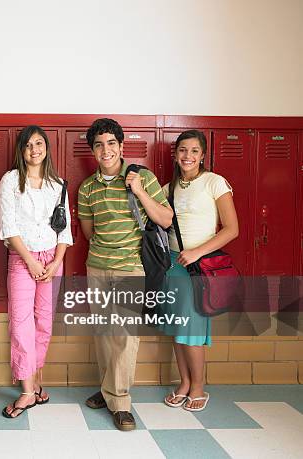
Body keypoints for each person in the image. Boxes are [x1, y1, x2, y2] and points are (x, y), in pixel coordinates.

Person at [78, 118, 172, 431]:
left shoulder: (142, 176)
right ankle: (108, 391)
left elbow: (166, 219)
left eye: (111, 143)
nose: (105, 150)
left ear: (121, 146)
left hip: (131, 266)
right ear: (93, 150)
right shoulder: (87, 188)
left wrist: (139, 191)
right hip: (97, 266)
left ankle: (120, 401)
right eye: (99, 144)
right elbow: (88, 232)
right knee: (105, 334)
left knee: (125, 336)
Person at [0, 126, 73, 418]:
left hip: (53, 259)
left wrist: (55, 262)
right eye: (28, 145)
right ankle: (28, 391)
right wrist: (30, 261)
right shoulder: (10, 181)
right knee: (21, 323)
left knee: (45, 323)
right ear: (21, 150)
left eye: (39, 143)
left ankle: (36, 381)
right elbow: (9, 226)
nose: (34, 149)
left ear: (46, 148)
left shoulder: (58, 184)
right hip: (22, 258)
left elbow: (64, 228)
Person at [160, 130, 238, 411]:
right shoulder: (169, 187)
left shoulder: (215, 183)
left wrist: (197, 252)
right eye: (182, 150)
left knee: (192, 330)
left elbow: (232, 229)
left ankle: (198, 387)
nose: (187, 156)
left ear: (203, 155)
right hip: (172, 265)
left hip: (197, 268)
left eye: (194, 151)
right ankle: (183, 383)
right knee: (177, 329)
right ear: (176, 153)